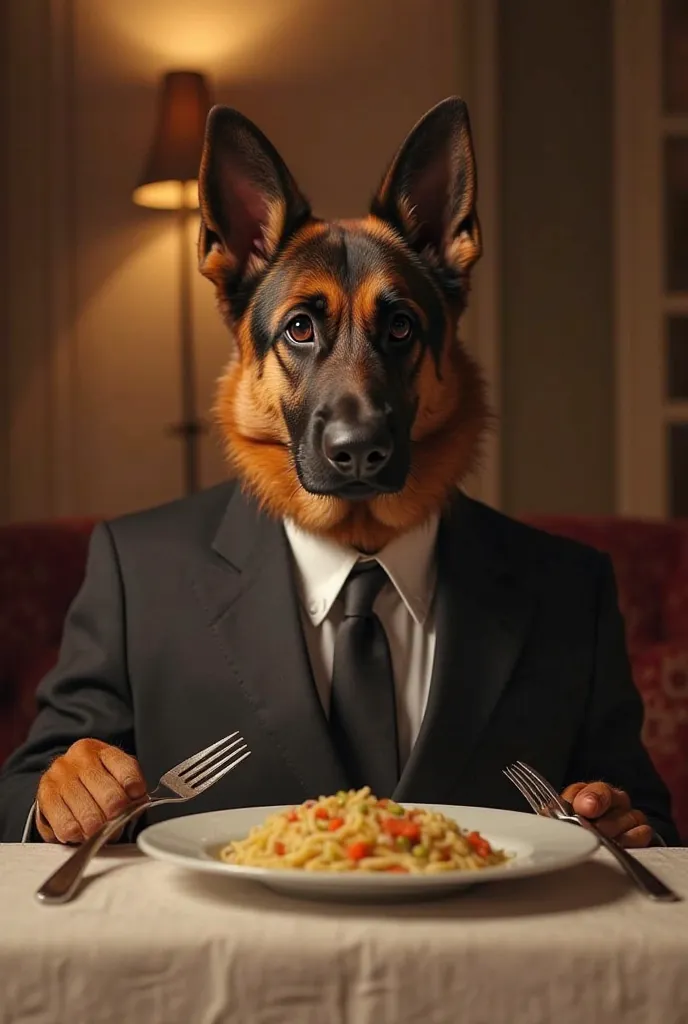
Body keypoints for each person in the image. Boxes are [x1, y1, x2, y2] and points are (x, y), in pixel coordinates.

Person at [0, 99, 678, 847]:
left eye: (397, 331)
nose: (355, 415)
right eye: (302, 329)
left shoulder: (567, 593)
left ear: (444, 351)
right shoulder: (140, 575)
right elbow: (22, 800)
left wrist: (618, 825)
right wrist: (60, 793)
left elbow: (648, 826)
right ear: (246, 345)